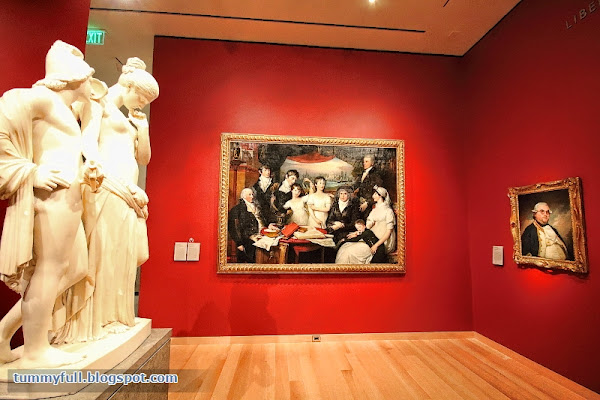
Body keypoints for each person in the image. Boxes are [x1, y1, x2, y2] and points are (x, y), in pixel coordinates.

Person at [0, 41, 101, 367]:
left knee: (75, 269)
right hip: (53, 196)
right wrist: (32, 172)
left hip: (68, 197)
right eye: (87, 76)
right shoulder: (42, 98)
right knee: (50, 269)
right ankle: (35, 350)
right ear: (72, 77)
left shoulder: (64, 110)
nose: (91, 83)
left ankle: (2, 334)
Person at [56, 57, 160, 343]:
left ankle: (115, 316)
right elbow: (88, 143)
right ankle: (95, 320)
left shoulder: (129, 118)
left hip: (127, 191)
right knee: (104, 250)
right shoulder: (98, 103)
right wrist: (97, 169)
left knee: (123, 254)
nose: (141, 104)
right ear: (129, 86)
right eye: (142, 97)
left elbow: (144, 158)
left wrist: (143, 129)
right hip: (107, 186)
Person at [336, 185, 395, 264]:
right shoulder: (375, 209)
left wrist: (376, 245)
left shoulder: (388, 211)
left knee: (349, 252)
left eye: (375, 194)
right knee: (345, 247)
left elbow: (388, 232)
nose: (373, 196)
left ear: (380, 196)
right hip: (371, 236)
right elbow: (367, 226)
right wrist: (357, 233)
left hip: (382, 240)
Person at [229, 188, 264, 263]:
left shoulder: (254, 207)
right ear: (244, 196)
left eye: (252, 194)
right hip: (245, 241)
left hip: (255, 238)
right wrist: (239, 243)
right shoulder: (237, 209)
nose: (252, 197)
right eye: (250, 195)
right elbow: (233, 228)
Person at [354, 154, 383, 219]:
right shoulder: (362, 173)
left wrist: (367, 203)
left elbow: (378, 191)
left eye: (366, 161)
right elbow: (358, 186)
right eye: (364, 162)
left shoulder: (376, 175)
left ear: (372, 163)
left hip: (370, 204)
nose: (364, 163)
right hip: (360, 202)